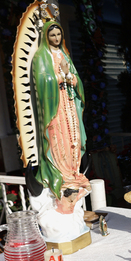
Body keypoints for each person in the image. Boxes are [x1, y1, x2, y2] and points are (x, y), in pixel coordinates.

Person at [32, 21, 90, 204]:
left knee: (73, 137)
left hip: (70, 105)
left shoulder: (65, 55)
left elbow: (77, 80)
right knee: (59, 138)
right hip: (55, 107)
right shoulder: (41, 56)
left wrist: (69, 77)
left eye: (58, 35)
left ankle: (73, 171)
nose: (56, 39)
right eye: (52, 35)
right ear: (45, 37)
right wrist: (59, 76)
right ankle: (63, 174)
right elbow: (42, 81)